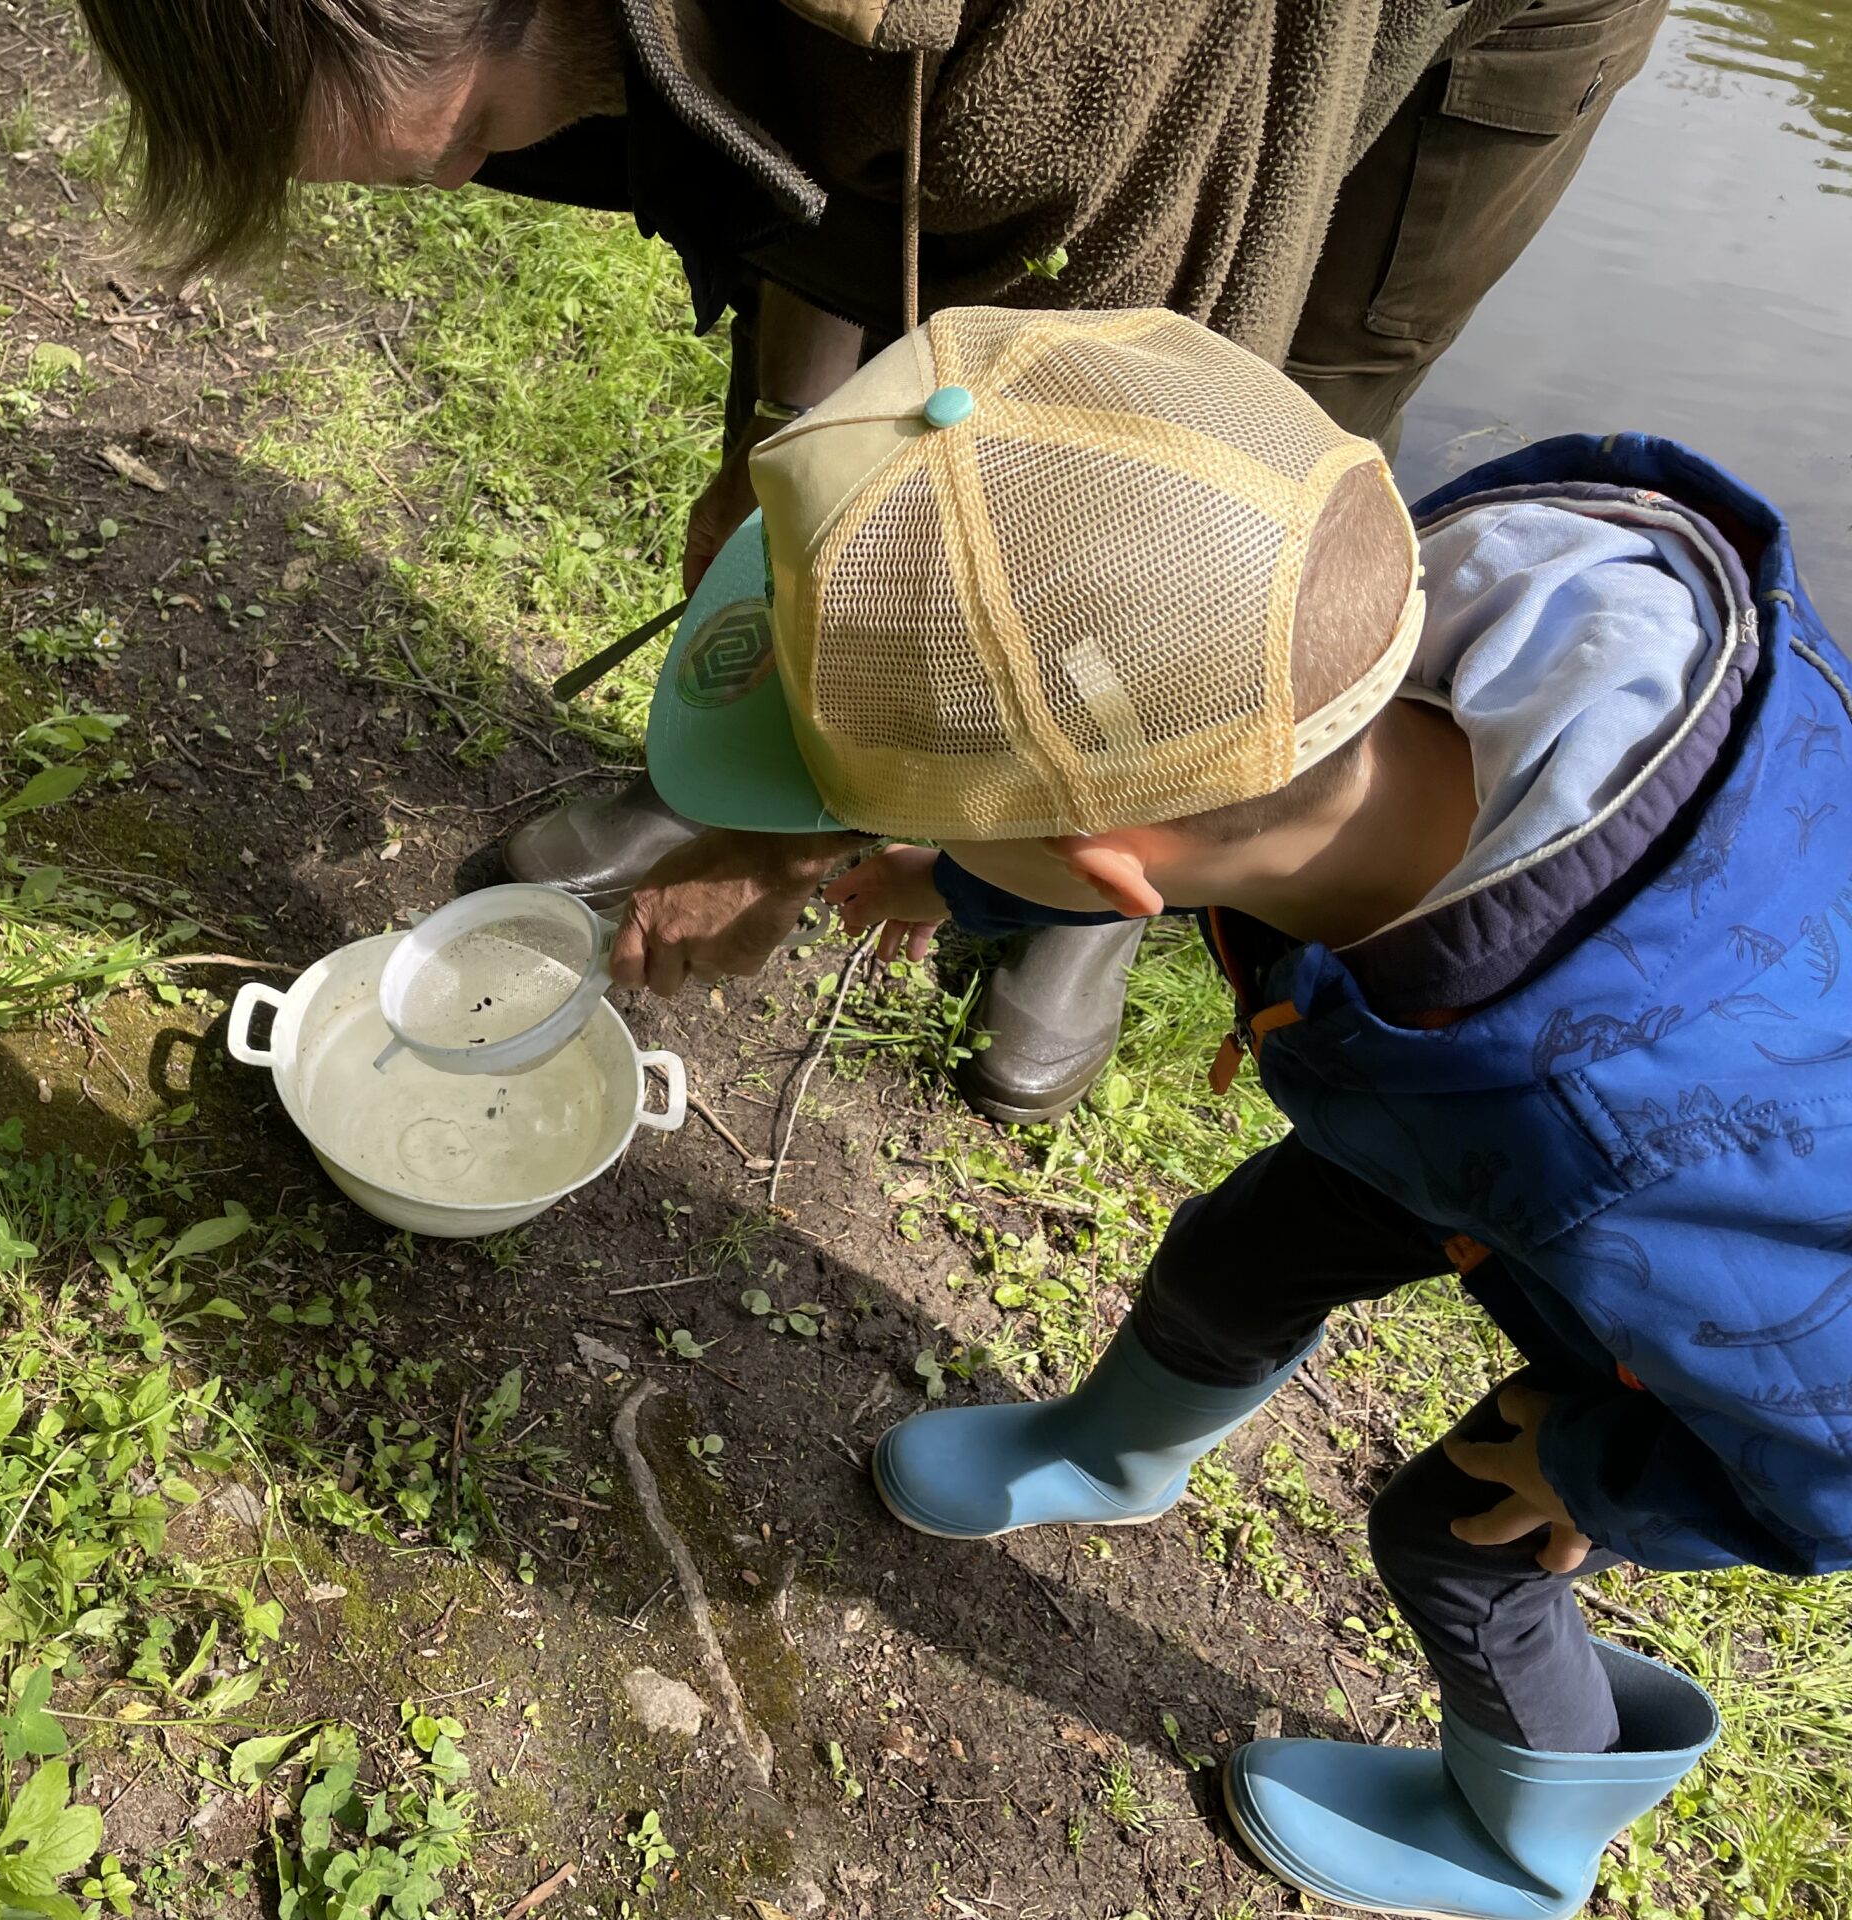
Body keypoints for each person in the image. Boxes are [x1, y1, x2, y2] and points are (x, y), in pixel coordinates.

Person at [632, 304, 1847, 1920]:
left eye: (933, 822)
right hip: (1457, 1073)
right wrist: (959, 876)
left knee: (1462, 1538)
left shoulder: (1632, 1142)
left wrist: (1610, 1476)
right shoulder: (1449, 598)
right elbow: (1168, 782)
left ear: (1101, 867)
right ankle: (1114, 1457)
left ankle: (1524, 1840)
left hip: (1721, 1256)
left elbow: (1836, 1440)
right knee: (1242, 1254)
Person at [73, 0, 1670, 1126]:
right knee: (905, 442)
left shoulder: (1074, 49)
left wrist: (801, 854)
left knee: (1263, 466)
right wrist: (786, 445)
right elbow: (826, 181)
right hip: (928, 68)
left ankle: (1095, 893)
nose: (438, 183)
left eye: (462, 139)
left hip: (1394, 53)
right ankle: (795, 758)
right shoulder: (798, 42)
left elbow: (1122, 481)